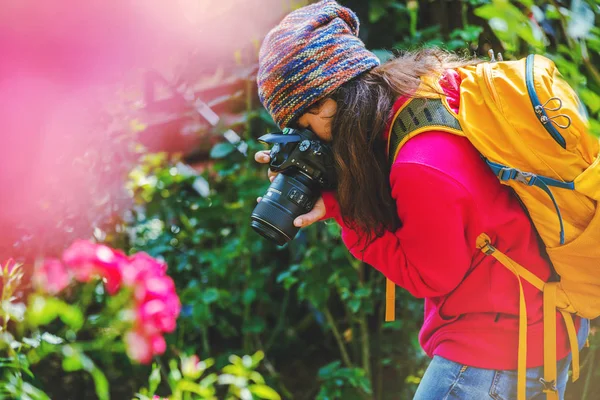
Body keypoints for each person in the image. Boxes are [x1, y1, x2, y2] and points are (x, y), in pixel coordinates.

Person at [254, 1, 589, 398]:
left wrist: (349, 217)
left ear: (327, 100)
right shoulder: (424, 91)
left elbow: (430, 276)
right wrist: (327, 190)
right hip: (535, 326)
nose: (310, 138)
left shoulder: (420, 166)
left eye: (302, 124)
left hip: (493, 356)